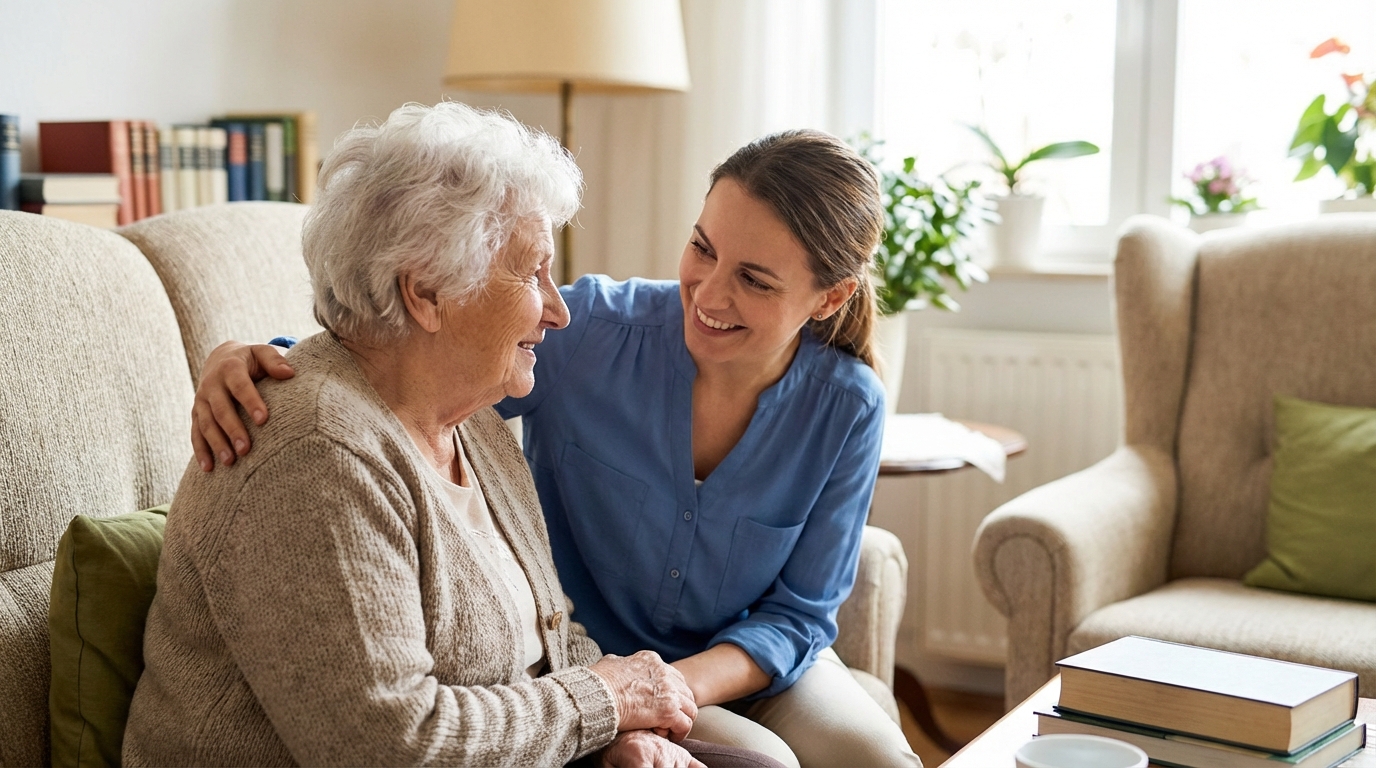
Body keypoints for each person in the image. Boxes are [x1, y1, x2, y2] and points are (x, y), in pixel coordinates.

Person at [192, 129, 921, 767]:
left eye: (755, 281)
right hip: (592, 662)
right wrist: (259, 358)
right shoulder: (592, 337)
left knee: (880, 758)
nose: (707, 293)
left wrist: (661, 689)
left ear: (828, 299)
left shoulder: (847, 403)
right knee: (763, 763)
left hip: (740, 671)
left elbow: (799, 614)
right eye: (702, 247)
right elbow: (397, 360)